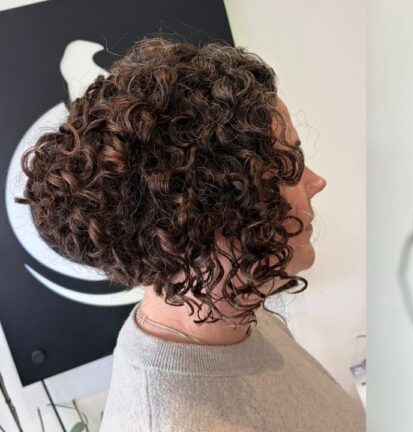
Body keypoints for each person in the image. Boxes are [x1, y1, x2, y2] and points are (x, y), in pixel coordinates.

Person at [17, 36, 364, 431]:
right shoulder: (170, 420)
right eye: (286, 166)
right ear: (203, 211)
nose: (317, 181)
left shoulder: (236, 313)